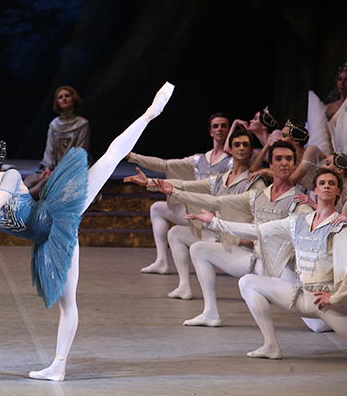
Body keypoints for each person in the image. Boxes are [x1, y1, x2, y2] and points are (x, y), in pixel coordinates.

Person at [0, 82, 174, 381]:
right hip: (48, 241)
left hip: (56, 213)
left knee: (109, 160)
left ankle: (150, 112)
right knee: (66, 303)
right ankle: (59, 366)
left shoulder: (11, 176)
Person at [189, 168, 347, 359]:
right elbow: (256, 230)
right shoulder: (298, 221)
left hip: (329, 304)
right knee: (248, 282)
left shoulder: (339, 226)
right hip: (303, 296)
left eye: (332, 183)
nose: (327, 186)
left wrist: (334, 299)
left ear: (339, 191)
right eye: (322, 183)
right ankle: (271, 346)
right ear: (314, 189)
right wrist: (214, 222)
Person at [157, 141, 314, 327]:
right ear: (270, 165)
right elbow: (215, 201)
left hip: (281, 268)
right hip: (255, 262)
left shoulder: (299, 202)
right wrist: (176, 193)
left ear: (295, 165)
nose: (284, 163)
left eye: (289, 159)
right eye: (278, 159)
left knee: (318, 325)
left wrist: (317, 206)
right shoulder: (257, 196)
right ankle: (210, 313)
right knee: (199, 249)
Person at [125, 129, 266, 299]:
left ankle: (212, 310)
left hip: (242, 245)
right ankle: (184, 287)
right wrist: (148, 182)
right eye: (237, 145)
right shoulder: (220, 179)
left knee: (198, 248)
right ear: (231, 149)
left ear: (252, 150)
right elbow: (184, 185)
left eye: (246, 145)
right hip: (222, 238)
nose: (241, 148)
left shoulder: (255, 182)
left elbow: (262, 218)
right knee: (175, 233)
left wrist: (249, 240)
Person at [126, 112, 232, 274]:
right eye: (215, 126)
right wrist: (132, 156)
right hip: (197, 211)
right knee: (157, 208)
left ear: (229, 130)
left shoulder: (232, 161)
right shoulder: (200, 159)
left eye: (224, 126)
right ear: (210, 132)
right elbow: (165, 165)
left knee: (175, 221)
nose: (219, 129)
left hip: (215, 216)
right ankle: (161, 261)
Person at [24, 86, 90, 199]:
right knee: (31, 179)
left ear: (74, 99)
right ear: (57, 102)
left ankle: (18, 202)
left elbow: (80, 151)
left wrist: (58, 170)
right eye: (60, 97)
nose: (64, 99)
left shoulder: (82, 124)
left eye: (67, 96)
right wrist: (47, 168)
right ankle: (12, 200)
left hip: (72, 169)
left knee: (44, 183)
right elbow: (49, 150)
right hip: (54, 169)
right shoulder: (54, 125)